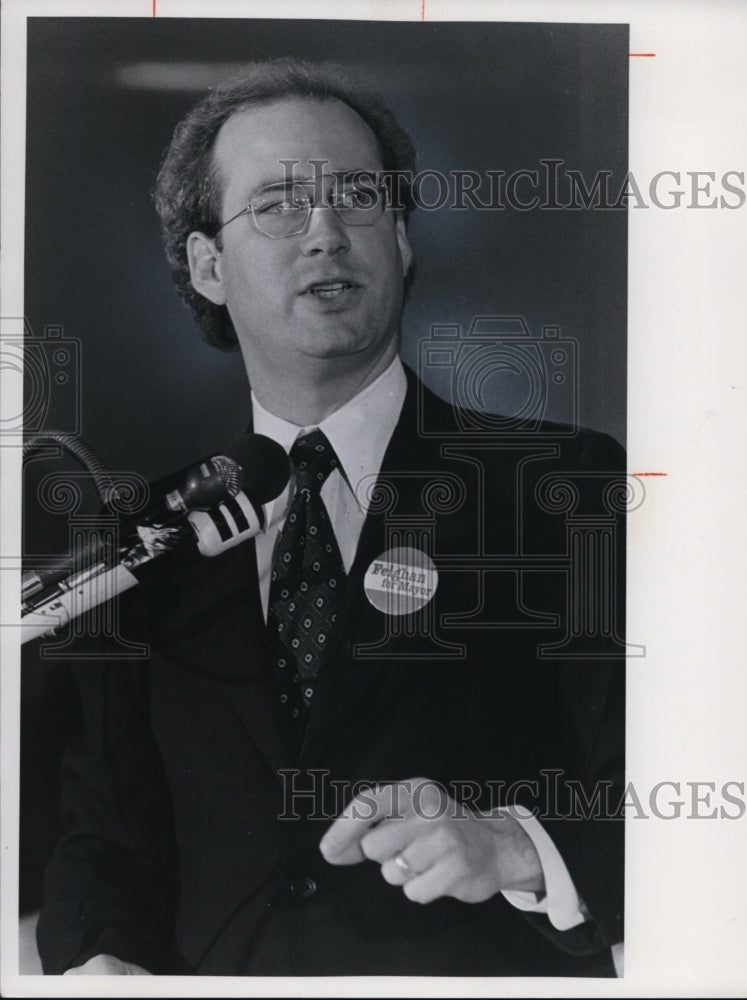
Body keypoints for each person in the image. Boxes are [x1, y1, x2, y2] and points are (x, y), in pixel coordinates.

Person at [36, 57, 625, 977]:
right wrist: (96, 957)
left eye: (356, 196)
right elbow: (103, 840)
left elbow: (673, 801)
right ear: (206, 266)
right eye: (276, 203)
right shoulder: (140, 537)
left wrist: (517, 847)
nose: (325, 233)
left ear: (401, 240)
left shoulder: (565, 488)